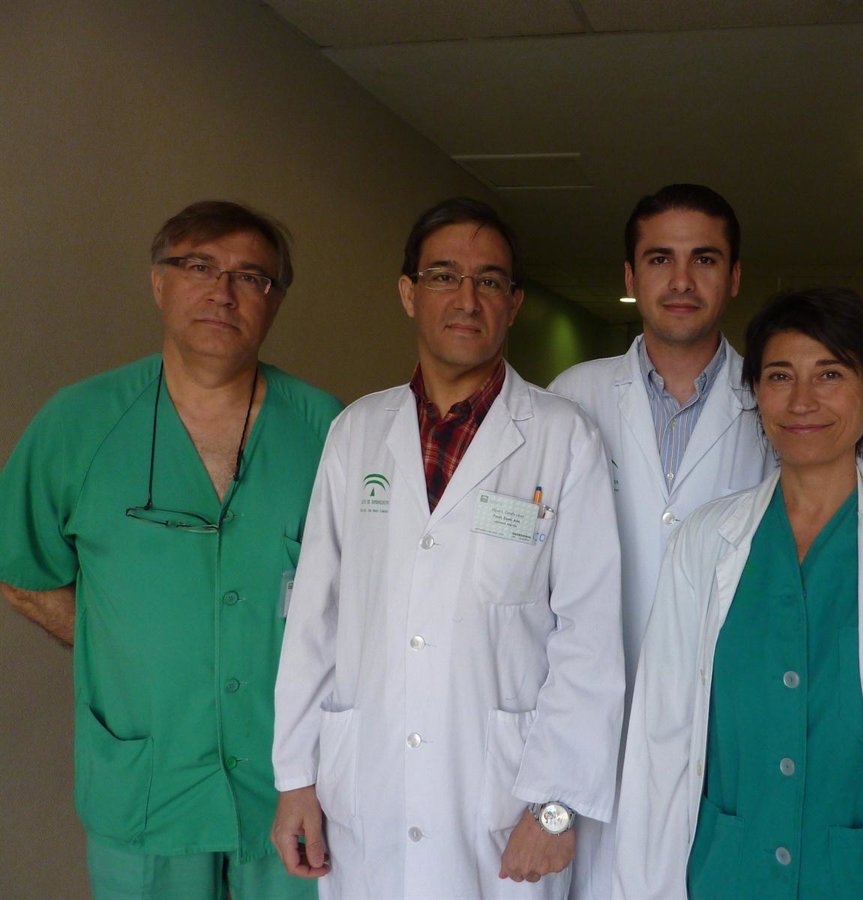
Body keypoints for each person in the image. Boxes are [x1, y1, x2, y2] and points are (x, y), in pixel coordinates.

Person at [613, 287, 863, 899]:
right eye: (780, 376)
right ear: (756, 391)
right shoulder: (705, 542)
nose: (802, 400)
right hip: (726, 874)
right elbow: (660, 736)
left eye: (830, 374)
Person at [270, 198, 624, 899]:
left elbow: (589, 633)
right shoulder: (356, 432)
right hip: (366, 794)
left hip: (504, 806)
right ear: (409, 293)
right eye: (443, 276)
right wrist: (296, 778)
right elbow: (314, 616)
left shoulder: (563, 438)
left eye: (489, 280)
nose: (467, 299)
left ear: (513, 304)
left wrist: (555, 805)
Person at [0, 201, 342, 899]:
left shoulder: (330, 432)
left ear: (275, 301)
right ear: (159, 282)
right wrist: (114, 647)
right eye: (199, 267)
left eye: (251, 277)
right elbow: (20, 567)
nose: (223, 292)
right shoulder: (78, 423)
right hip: (147, 785)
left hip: (296, 789)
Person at [548, 184, 772, 897]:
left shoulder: (774, 404)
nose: (681, 280)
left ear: (733, 277)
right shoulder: (572, 397)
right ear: (630, 275)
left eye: (704, 259)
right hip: (592, 720)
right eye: (659, 259)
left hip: (725, 721)